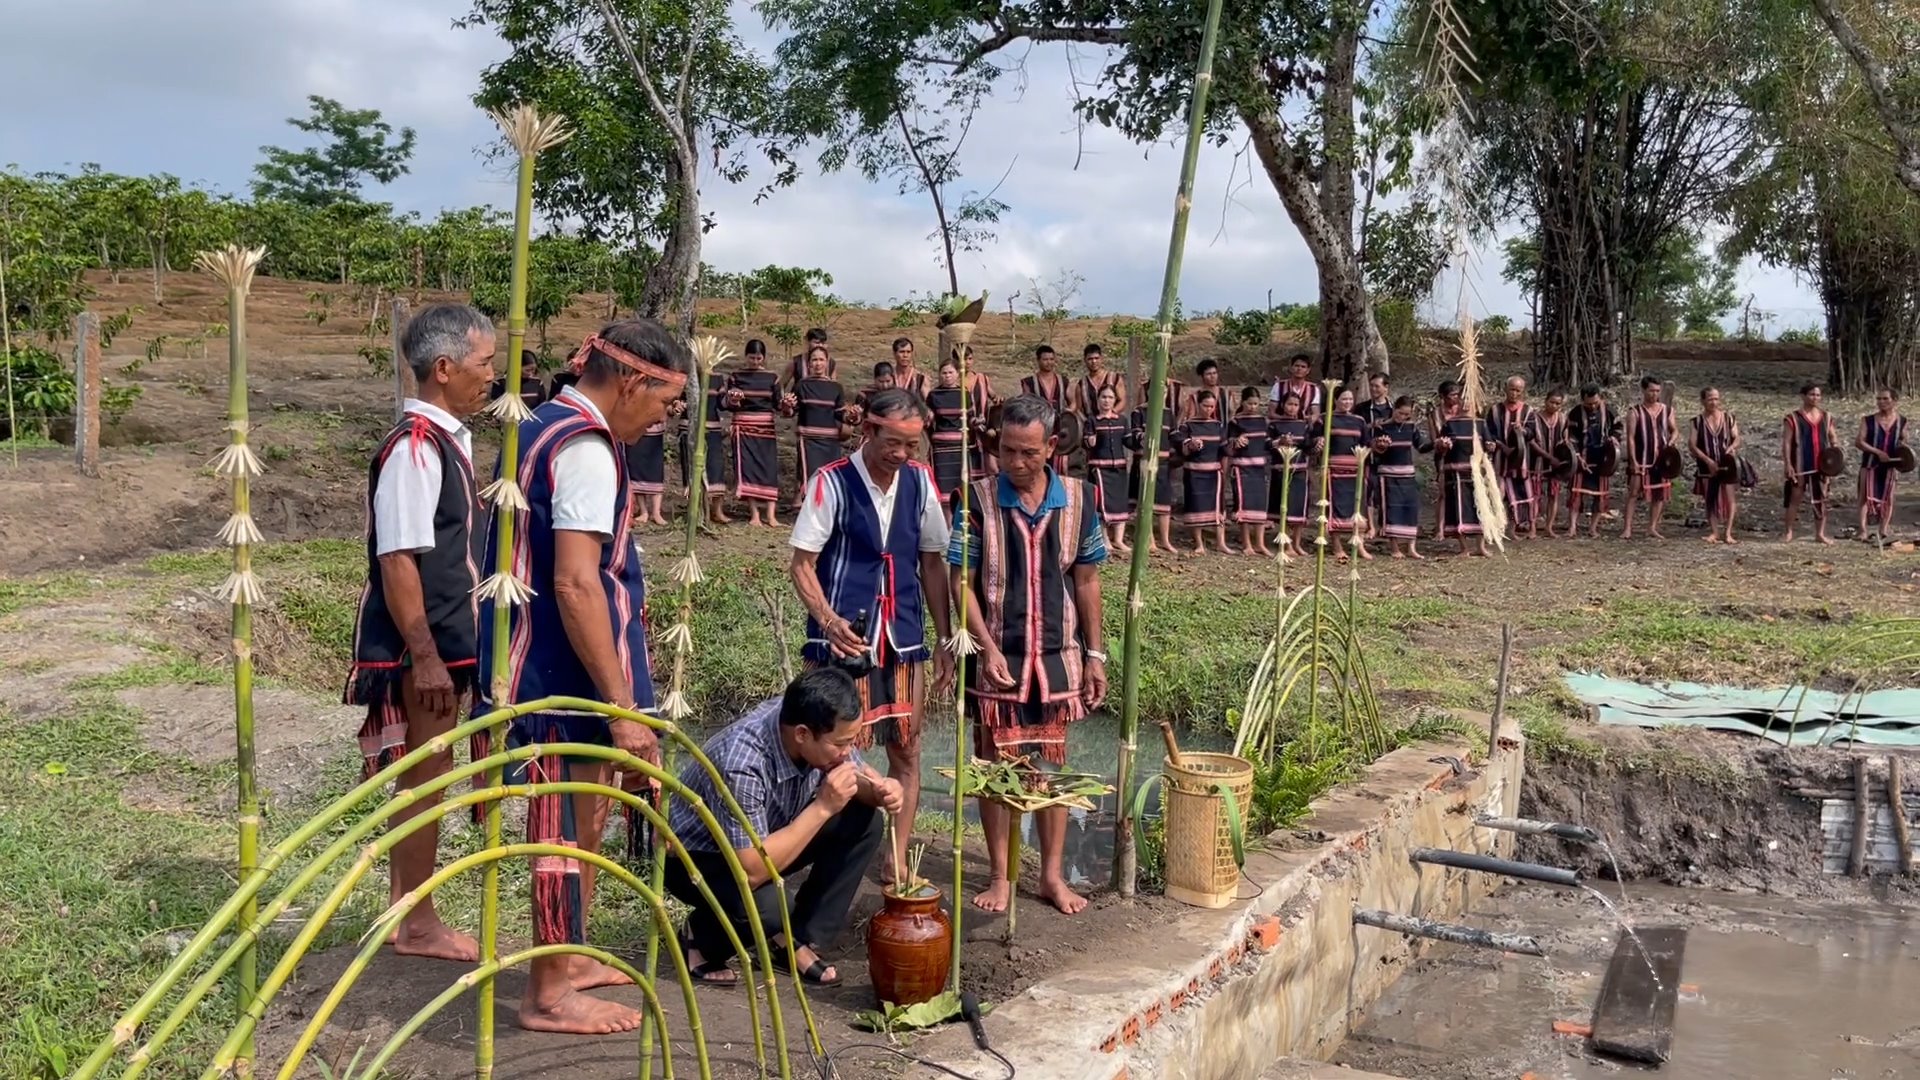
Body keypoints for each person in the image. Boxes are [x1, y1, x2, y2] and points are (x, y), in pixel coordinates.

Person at [475, 317, 687, 1034]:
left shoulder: (540, 424)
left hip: (547, 662)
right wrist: (623, 707)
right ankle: (548, 994)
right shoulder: (587, 448)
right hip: (561, 674)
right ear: (632, 380)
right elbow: (574, 583)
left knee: (584, 817)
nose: (662, 419)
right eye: (662, 403)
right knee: (565, 827)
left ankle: (565, 959)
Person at [344, 302, 496, 965]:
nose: (491, 377)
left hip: (440, 643)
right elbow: (399, 558)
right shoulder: (413, 448)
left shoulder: (446, 441)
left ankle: (406, 910)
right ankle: (418, 920)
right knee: (426, 778)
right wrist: (427, 657)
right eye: (484, 364)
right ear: (444, 369)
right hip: (420, 649)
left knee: (427, 775)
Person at [949, 394, 1108, 916]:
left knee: (1050, 767)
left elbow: (1086, 581)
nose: (1015, 463)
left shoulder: (1081, 500)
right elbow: (961, 582)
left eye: (1028, 453)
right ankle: (1000, 874)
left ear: (1052, 447)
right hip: (999, 657)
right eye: (1006, 451)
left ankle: (1052, 875)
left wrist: (1096, 654)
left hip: (1058, 657)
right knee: (996, 767)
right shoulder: (972, 500)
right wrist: (985, 645)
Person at [789, 389, 955, 881]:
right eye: (893, 442)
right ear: (869, 430)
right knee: (834, 751)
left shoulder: (922, 483)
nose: (902, 454)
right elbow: (802, 565)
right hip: (843, 642)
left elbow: (931, 563)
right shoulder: (831, 482)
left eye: (912, 444)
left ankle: (897, 859)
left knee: (907, 748)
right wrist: (828, 619)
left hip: (902, 637)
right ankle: (826, 859)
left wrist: (945, 638)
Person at [664, 668, 901, 987]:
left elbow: (858, 774)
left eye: (851, 741)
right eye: (841, 744)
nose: (848, 751)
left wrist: (882, 789)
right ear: (803, 734)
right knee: (771, 908)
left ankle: (795, 939)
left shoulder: (812, 722)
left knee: (864, 819)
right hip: (695, 857)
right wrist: (822, 808)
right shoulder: (742, 762)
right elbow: (752, 871)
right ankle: (701, 938)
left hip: (765, 836)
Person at [726, 339, 785, 527]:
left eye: (759, 358)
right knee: (748, 469)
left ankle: (771, 514)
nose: (755, 361)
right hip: (744, 427)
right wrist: (734, 399)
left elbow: (778, 404)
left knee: (769, 469)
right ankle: (754, 515)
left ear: (764, 358)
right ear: (746, 357)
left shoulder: (772, 378)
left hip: (765, 428)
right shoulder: (736, 377)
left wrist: (787, 405)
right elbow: (727, 404)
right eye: (752, 358)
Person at [1313, 386, 1372, 561]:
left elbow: (1366, 443)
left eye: (1350, 400)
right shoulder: (1325, 419)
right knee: (1334, 506)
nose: (1347, 403)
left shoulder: (1359, 420)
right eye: (1344, 399)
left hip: (1355, 469)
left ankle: (1359, 544)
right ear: (1335, 400)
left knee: (1357, 506)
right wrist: (1318, 442)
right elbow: (1314, 440)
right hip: (1333, 469)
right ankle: (1337, 545)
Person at [1373, 396, 1430, 559]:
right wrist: (1381, 446)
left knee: (1410, 509)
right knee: (1392, 509)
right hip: (1389, 473)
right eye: (1400, 413)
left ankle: (1412, 547)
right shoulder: (1382, 427)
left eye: (1407, 414)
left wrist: (1437, 443)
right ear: (1394, 409)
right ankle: (1395, 547)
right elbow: (1376, 451)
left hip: (1407, 474)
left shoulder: (1411, 428)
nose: (1403, 417)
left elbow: (1421, 446)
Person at [1782, 382, 1840, 544]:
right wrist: (1788, 464)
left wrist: (1835, 453)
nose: (1815, 398)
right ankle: (1788, 532)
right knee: (1795, 498)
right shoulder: (1792, 418)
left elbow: (1833, 438)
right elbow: (1786, 442)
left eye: (1817, 395)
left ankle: (1819, 534)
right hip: (1800, 464)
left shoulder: (1827, 417)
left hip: (1822, 465)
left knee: (1821, 499)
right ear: (1803, 396)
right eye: (1811, 394)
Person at [793, 345, 850, 505]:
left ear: (827, 362)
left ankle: (827, 514)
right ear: (809, 363)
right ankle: (810, 513)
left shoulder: (836, 388)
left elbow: (840, 414)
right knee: (810, 477)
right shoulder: (801, 386)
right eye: (814, 360)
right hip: (808, 441)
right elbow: (790, 410)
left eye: (821, 360)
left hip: (831, 442)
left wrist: (852, 416)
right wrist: (787, 406)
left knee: (830, 477)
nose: (818, 363)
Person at [1127, 379, 1179, 553]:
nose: (1161, 394)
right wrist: (1143, 438)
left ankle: (1165, 540)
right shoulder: (1139, 411)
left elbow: (1174, 435)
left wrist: (1187, 444)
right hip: (1144, 461)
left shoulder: (1169, 413)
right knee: (1145, 502)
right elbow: (1134, 433)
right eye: (1157, 390)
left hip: (1163, 463)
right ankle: (1149, 540)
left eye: (1164, 391)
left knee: (1164, 504)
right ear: (1149, 392)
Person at [1174, 389, 1230, 554]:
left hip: (1214, 473)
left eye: (1212, 407)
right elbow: (1178, 440)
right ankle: (1199, 543)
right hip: (1194, 473)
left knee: (1218, 507)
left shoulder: (1218, 425)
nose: (1209, 409)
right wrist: (1190, 443)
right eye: (1206, 406)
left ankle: (1221, 542)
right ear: (1198, 405)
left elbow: (1224, 449)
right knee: (1196, 505)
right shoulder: (1188, 425)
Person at [1622, 375, 1677, 540]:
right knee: (1633, 493)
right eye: (1651, 391)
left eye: (1657, 391)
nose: (1655, 394)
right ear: (1644, 390)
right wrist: (1633, 460)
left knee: (1659, 495)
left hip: (1661, 460)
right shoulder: (1635, 412)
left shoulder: (1667, 410)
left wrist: (1671, 443)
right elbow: (1630, 438)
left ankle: (1652, 527)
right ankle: (1627, 528)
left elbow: (1674, 430)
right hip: (1642, 458)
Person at [1689, 386, 1744, 545]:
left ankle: (1728, 532)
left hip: (1727, 463)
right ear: (1703, 401)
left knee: (1730, 497)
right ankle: (1714, 531)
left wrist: (1732, 448)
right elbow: (1692, 445)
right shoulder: (1697, 422)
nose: (1714, 402)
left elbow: (1737, 438)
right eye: (1710, 399)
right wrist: (1707, 460)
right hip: (1707, 464)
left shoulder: (1728, 418)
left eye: (1716, 399)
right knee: (1710, 498)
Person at [1434, 401, 1490, 557]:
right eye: (1462, 401)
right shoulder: (1450, 424)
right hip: (1455, 473)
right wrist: (1443, 446)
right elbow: (1439, 448)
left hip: (1477, 473)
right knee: (1458, 510)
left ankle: (1481, 547)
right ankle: (1464, 548)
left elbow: (1489, 443)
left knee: (1480, 509)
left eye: (1469, 401)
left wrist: (1491, 446)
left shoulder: (1480, 423)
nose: (1465, 405)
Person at [1084, 383, 1135, 554]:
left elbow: (1129, 442)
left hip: (1119, 468)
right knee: (1102, 504)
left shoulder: (1122, 420)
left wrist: (1142, 440)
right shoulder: (1092, 420)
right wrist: (1089, 441)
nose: (1107, 401)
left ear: (1115, 401)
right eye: (1103, 397)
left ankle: (1119, 540)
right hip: (1099, 469)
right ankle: (1105, 539)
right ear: (1098, 400)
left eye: (1110, 397)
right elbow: (1086, 442)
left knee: (1120, 503)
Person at [1486, 376, 1537, 540]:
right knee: (1498, 493)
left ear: (1522, 392)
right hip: (1501, 459)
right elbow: (1489, 433)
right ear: (1505, 389)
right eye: (1511, 389)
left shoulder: (1528, 411)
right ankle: (1495, 528)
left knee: (1521, 494)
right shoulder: (1495, 410)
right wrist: (1498, 445)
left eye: (1518, 390)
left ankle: (1513, 529)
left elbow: (1532, 433)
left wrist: (1523, 431)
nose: (1514, 393)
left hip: (1521, 460)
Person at [1568, 384, 1621, 539]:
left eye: (1595, 403)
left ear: (1600, 398)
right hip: (1582, 457)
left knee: (1601, 495)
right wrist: (1577, 456)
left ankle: (1593, 528)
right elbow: (1571, 436)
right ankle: (1572, 527)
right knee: (1576, 494)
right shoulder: (1575, 413)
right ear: (1582, 400)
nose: (1592, 406)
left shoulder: (1609, 411)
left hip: (1603, 459)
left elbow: (1618, 428)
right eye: (1588, 403)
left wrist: (1614, 439)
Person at [682, 367, 732, 525]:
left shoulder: (717, 378)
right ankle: (695, 511)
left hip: (712, 428)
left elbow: (723, 404)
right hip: (690, 429)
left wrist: (733, 399)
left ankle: (717, 510)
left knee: (716, 467)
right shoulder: (686, 374)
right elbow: (676, 397)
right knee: (692, 472)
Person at [1856, 387, 1906, 541]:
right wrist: (1877, 452)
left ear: (1894, 401)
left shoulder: (1901, 421)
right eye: (1879, 399)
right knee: (1864, 497)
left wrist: (1901, 454)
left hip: (1890, 465)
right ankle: (1863, 530)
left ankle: (1883, 529)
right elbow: (1859, 442)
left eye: (1885, 399)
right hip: (1870, 463)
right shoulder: (1868, 420)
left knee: (1889, 498)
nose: (1881, 402)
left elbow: (1903, 441)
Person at [926, 357, 977, 506]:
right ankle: (945, 526)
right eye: (944, 373)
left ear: (957, 374)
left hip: (961, 447)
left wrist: (978, 424)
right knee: (943, 491)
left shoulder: (964, 394)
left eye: (950, 372)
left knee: (961, 488)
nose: (947, 376)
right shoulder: (934, 395)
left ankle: (960, 524)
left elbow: (971, 418)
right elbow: (929, 421)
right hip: (941, 449)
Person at [1228, 386, 1272, 557]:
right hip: (1241, 467)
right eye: (1249, 403)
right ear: (1243, 402)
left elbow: (1267, 443)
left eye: (1256, 404)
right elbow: (1229, 442)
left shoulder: (1264, 421)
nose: (1253, 407)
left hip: (1259, 468)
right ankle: (1247, 544)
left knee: (1260, 505)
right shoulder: (1236, 422)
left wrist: (1279, 442)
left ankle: (1260, 543)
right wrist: (1237, 441)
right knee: (1244, 505)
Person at [1268, 392, 1313, 556]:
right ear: (1282, 405)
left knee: (1298, 508)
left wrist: (1317, 444)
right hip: (1281, 469)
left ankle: (1297, 543)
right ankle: (1285, 543)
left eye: (1295, 405)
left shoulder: (1304, 425)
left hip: (1300, 469)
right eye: (1289, 404)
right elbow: (1267, 444)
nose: (1292, 408)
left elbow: (1308, 445)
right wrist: (1279, 442)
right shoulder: (1274, 424)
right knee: (1284, 508)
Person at [1019, 345, 1071, 474]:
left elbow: (1074, 402)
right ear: (1038, 361)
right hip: (1039, 429)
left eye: (1052, 359)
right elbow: (1026, 405)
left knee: (1060, 465)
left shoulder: (1063, 381)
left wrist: (1069, 413)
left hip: (1060, 430)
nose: (1049, 362)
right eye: (1045, 359)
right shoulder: (1029, 382)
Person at [624, 397, 674, 527]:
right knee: (637, 470)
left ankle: (656, 512)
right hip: (634, 431)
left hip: (654, 432)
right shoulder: (632, 383)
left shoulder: (657, 383)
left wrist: (672, 409)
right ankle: (643, 511)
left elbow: (667, 403)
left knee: (656, 470)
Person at [1528, 388, 1571, 538]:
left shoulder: (1563, 419)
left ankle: (1549, 527)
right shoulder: (1534, 418)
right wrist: (1547, 456)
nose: (1554, 406)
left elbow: (1565, 439)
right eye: (1552, 402)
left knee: (1554, 495)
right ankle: (1532, 527)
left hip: (1557, 463)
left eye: (1558, 404)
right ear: (1545, 401)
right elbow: (1531, 442)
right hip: (1537, 462)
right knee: (1535, 495)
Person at [1072, 343, 1125, 422]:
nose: (1094, 361)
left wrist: (1110, 414)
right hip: (1091, 425)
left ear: (1101, 359)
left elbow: (1123, 401)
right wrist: (1088, 422)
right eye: (1090, 359)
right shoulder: (1081, 384)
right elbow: (1079, 409)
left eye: (1096, 358)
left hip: (1112, 423)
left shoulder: (1114, 378)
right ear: (1085, 360)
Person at [1270, 355, 1322, 422]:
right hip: (1281, 423)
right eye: (1296, 366)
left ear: (1308, 370)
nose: (1299, 369)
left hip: (1303, 425)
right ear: (1291, 368)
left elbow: (1316, 412)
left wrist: (1310, 419)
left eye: (1303, 367)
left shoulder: (1314, 389)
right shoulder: (1279, 386)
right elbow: (1271, 413)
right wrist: (1284, 418)